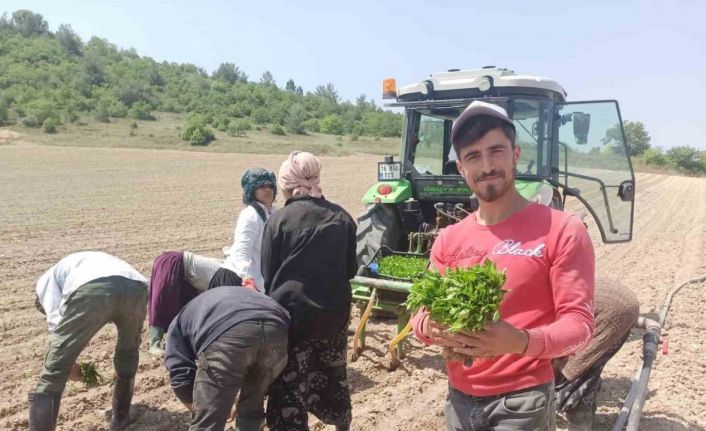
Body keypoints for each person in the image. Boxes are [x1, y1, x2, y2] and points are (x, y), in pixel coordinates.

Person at [411, 100, 595, 431]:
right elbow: (420, 314)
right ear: (461, 169)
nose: (487, 166)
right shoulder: (449, 239)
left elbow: (579, 325)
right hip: (458, 401)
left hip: (522, 403)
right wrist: (431, 328)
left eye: (496, 151)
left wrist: (519, 341)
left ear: (516, 154)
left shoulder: (561, 229)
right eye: (473, 156)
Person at [262, 151, 357, 431]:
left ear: (286, 183)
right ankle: (340, 424)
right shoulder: (342, 218)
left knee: (289, 385)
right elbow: (350, 270)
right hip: (333, 318)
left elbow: (269, 274)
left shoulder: (278, 221)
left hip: (291, 321)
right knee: (333, 376)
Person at [29, 251, 148, 431]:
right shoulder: (76, 264)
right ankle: (121, 418)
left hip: (96, 286)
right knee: (128, 351)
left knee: (54, 371)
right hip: (136, 286)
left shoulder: (45, 283)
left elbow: (56, 327)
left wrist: (71, 366)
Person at [164, 285, 289, 431]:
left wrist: (205, 408)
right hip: (277, 329)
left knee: (208, 423)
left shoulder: (178, 322)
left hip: (228, 330)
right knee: (252, 407)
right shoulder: (209, 303)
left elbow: (180, 375)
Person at [554, 279, 639, 430]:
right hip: (616, 302)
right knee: (590, 368)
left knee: (573, 377)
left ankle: (580, 425)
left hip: (609, 309)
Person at [209, 168, 277, 291]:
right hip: (236, 280)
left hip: (258, 282)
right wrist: (248, 280)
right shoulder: (250, 215)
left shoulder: (274, 213)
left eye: (270, 186)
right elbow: (242, 250)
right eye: (261, 186)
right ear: (252, 190)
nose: (268, 190)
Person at [148, 251, 222, 356]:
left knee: (184, 308)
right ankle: (154, 344)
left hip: (189, 277)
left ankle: (174, 342)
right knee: (163, 301)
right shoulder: (230, 278)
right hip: (173, 262)